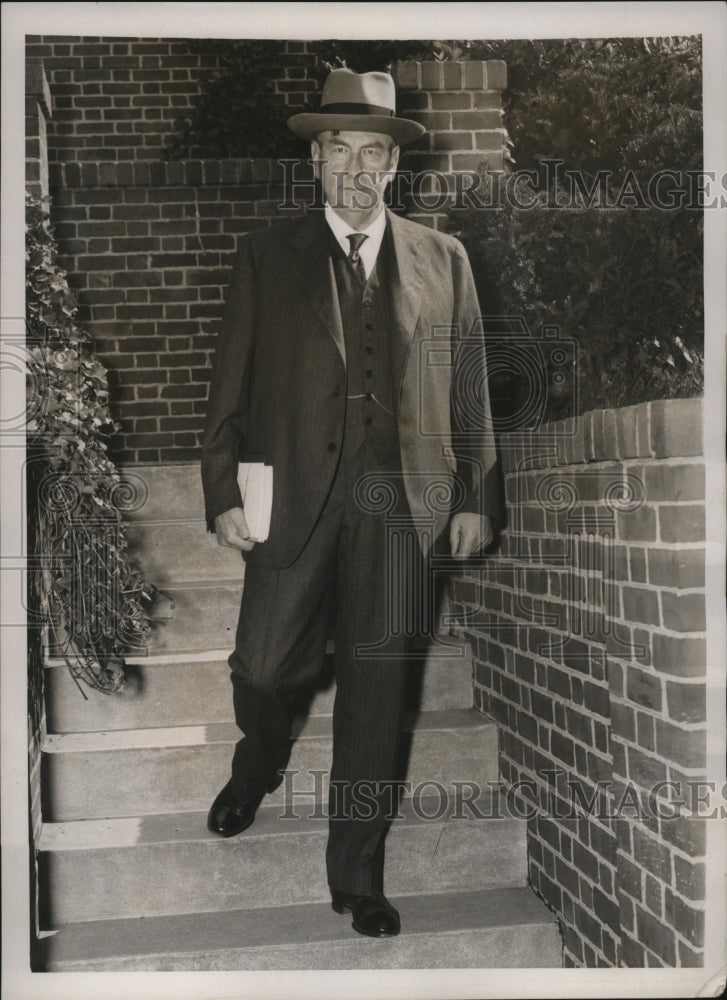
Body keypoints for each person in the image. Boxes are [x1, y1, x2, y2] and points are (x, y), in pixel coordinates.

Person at [201, 68, 500, 939]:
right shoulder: (266, 254)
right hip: (291, 496)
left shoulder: (443, 259)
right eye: (341, 150)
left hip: (403, 507)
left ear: (393, 166)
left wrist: (476, 494)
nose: (358, 168)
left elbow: (473, 387)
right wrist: (223, 492)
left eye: (375, 151)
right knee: (263, 669)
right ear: (316, 159)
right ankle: (258, 762)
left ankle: (356, 877)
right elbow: (227, 389)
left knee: (378, 693)